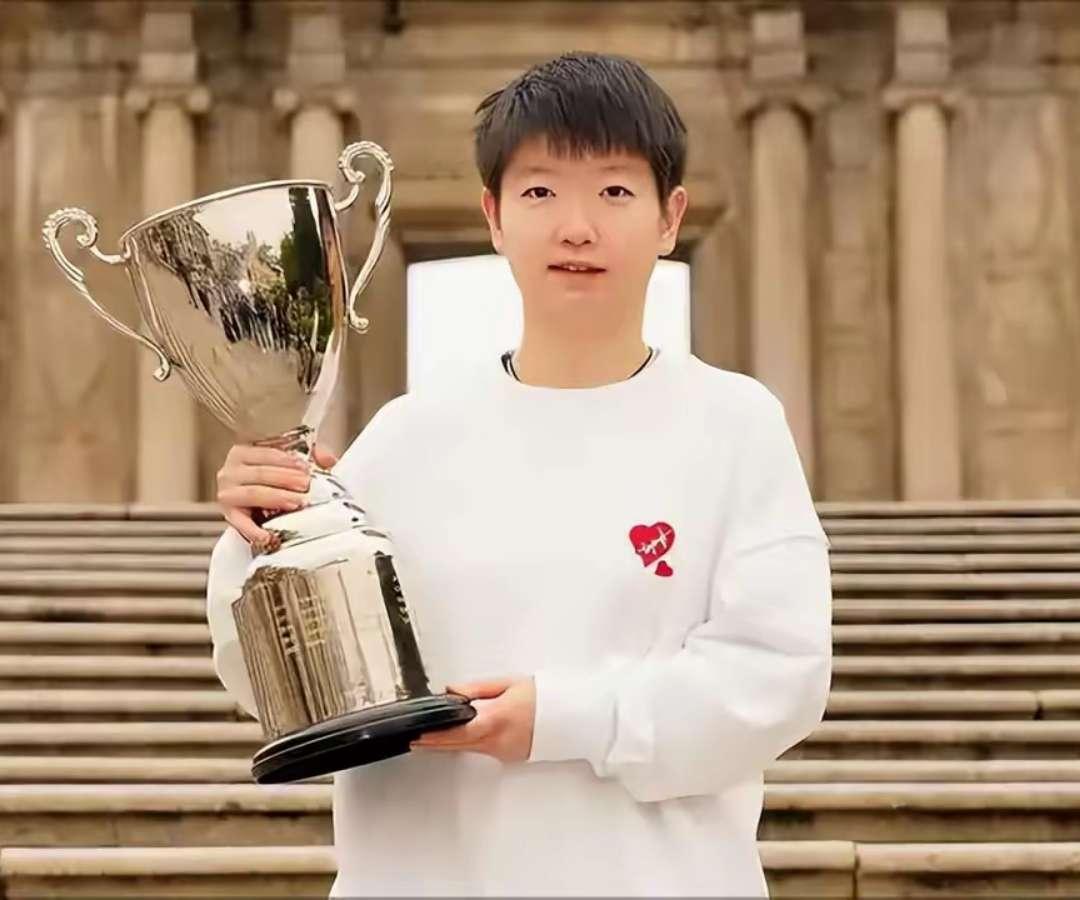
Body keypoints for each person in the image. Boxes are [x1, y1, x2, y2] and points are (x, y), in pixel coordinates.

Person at [206, 50, 833, 898]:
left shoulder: (735, 426)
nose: (577, 227)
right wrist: (258, 531)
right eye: (540, 191)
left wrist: (560, 719)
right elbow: (273, 682)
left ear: (670, 216)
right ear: (494, 216)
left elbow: (775, 681)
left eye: (615, 191)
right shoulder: (407, 439)